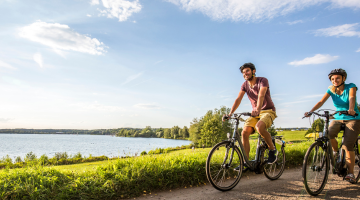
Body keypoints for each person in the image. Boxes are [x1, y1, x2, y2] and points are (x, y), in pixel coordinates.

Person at [304, 68, 360, 183]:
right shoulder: (331, 89)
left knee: (347, 145)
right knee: (327, 134)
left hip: (353, 118)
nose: (335, 80)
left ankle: (351, 173)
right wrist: (310, 111)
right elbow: (321, 102)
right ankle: (335, 152)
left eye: (338, 78)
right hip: (338, 117)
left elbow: (352, 98)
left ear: (344, 78)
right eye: (332, 79)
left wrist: (351, 108)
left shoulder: (351, 86)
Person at [223, 62, 278, 167]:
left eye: (247, 71)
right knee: (244, 132)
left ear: (254, 71)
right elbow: (238, 99)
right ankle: (245, 162)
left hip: (268, 110)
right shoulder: (244, 85)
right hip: (255, 113)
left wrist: (258, 109)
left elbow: (261, 95)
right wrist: (230, 113)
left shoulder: (263, 80)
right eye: (243, 73)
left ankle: (272, 149)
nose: (245, 74)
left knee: (259, 127)